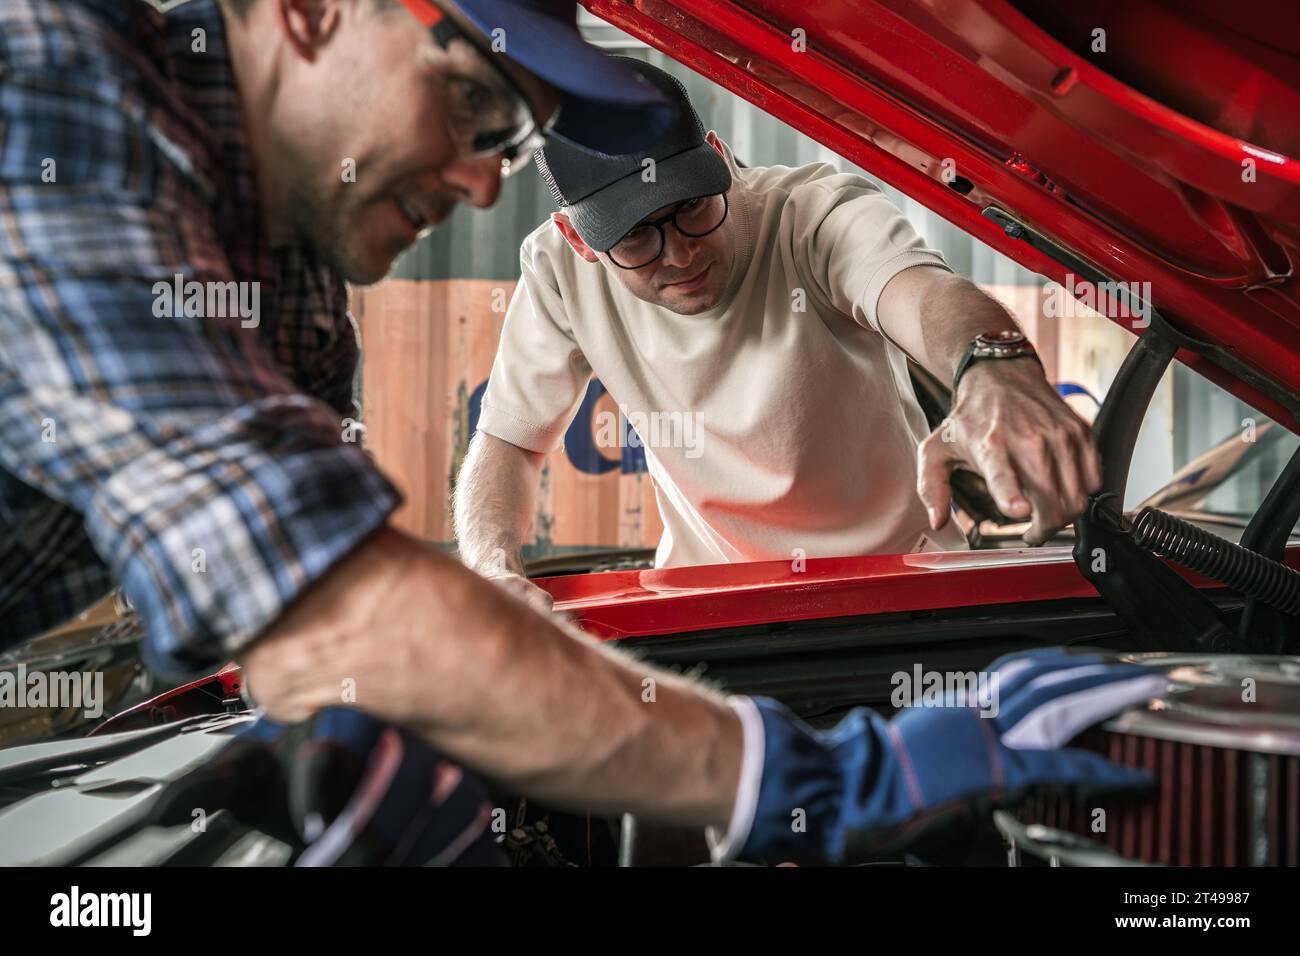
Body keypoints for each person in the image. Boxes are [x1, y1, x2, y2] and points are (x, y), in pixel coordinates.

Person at [0, 0, 1148, 865]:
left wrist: (987, 364)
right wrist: (825, 776)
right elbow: (333, 596)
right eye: (472, 105)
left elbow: (314, 638)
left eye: (507, 136)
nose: (484, 186)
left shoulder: (290, 297)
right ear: (310, 10)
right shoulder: (53, 88)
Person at [456, 58, 1101, 609]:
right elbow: (508, 443)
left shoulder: (814, 215)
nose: (679, 255)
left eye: (691, 208)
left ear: (717, 159)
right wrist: (490, 570)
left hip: (898, 588)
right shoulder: (558, 270)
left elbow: (923, 294)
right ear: (580, 239)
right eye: (637, 238)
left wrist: (992, 363)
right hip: (706, 605)